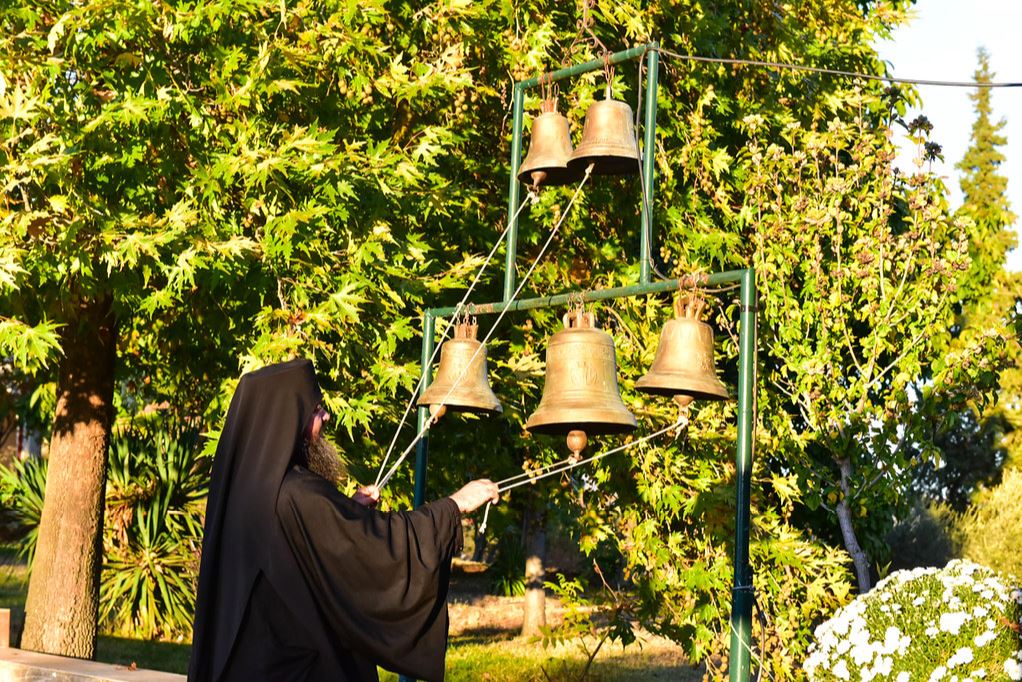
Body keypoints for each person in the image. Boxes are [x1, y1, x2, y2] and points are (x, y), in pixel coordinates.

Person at [188, 358, 499, 682]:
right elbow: (374, 545)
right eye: (316, 408)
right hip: (297, 666)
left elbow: (299, 543)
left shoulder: (247, 487)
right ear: (288, 418)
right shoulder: (296, 491)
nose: (326, 416)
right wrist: (454, 505)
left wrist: (345, 508)